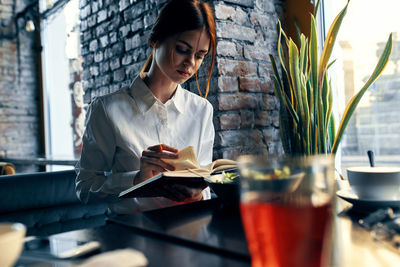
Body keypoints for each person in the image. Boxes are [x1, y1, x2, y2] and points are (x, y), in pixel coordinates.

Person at [75, 0, 216, 214]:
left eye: (199, 56)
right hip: (134, 236)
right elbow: (84, 188)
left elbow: (204, 185)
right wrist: (136, 179)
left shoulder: (202, 110)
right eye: (181, 49)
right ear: (156, 40)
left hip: (190, 230)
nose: (191, 63)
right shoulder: (107, 109)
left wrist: (198, 193)